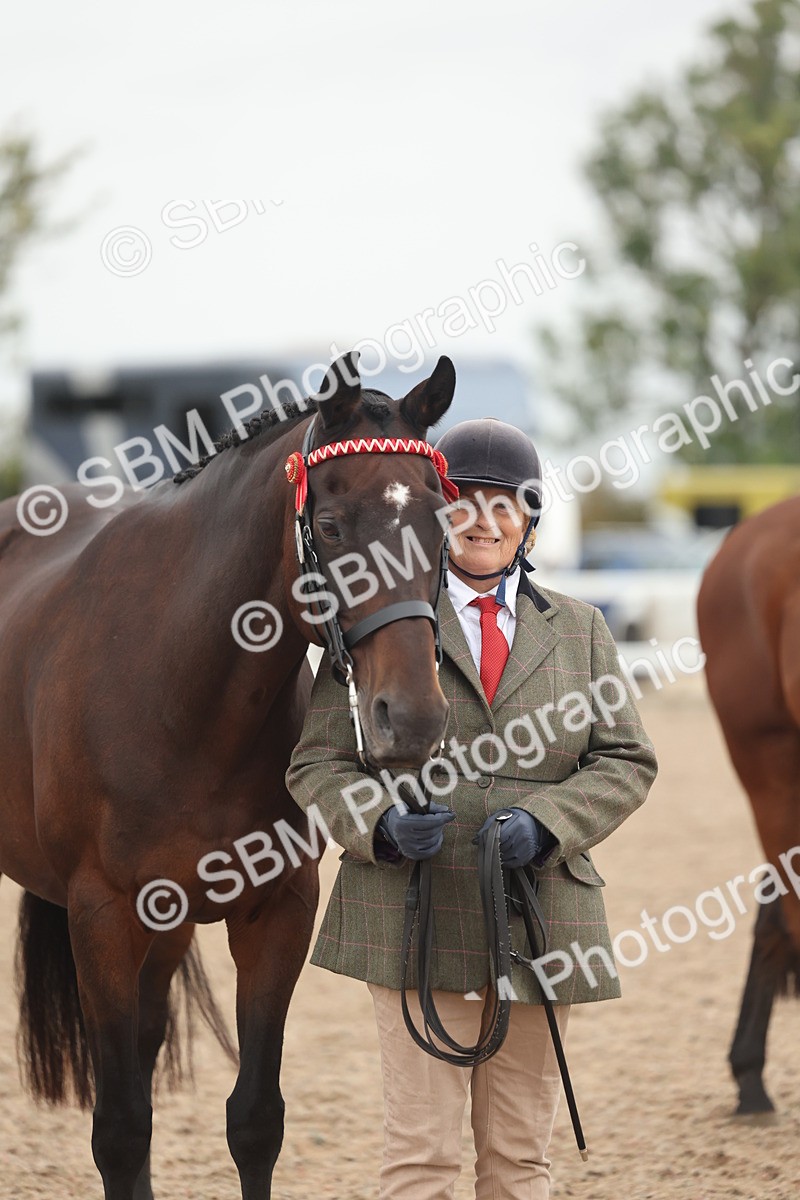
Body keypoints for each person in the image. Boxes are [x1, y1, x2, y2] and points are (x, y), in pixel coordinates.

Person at [286, 417, 657, 1200]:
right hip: (412, 916)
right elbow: (317, 760)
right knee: (420, 1162)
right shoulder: (373, 619)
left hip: (538, 915)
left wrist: (550, 823)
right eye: (466, 503)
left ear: (529, 521)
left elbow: (627, 759)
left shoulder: (582, 631)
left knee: (520, 1163)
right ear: (438, 514)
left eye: (505, 506)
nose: (483, 521)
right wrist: (378, 825)